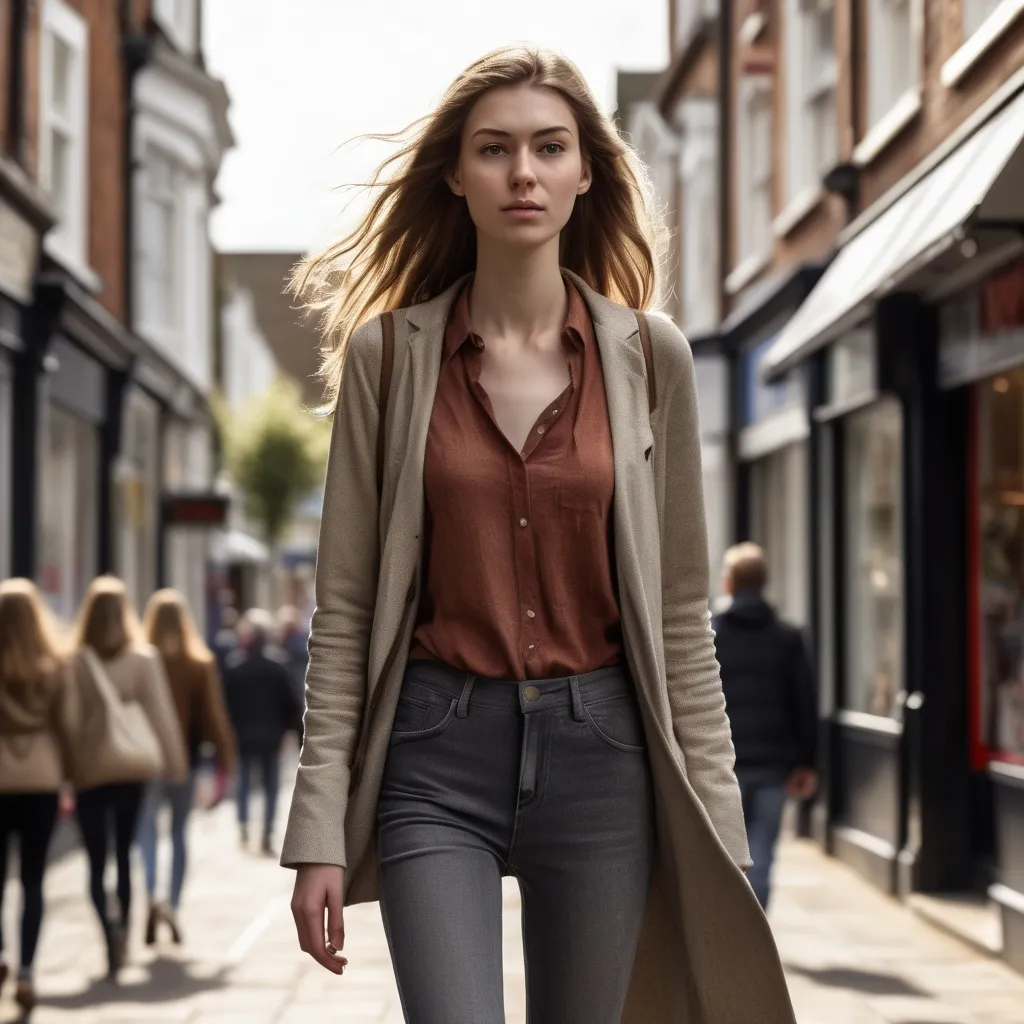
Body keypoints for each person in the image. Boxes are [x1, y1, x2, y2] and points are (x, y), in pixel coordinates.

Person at [282, 45, 795, 1024]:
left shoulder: (653, 358)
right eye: (494, 149)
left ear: (585, 170)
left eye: (548, 147)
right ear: (455, 174)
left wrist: (720, 825)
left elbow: (683, 613)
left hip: (604, 757)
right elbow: (343, 611)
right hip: (433, 755)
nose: (523, 172)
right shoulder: (388, 359)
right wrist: (317, 828)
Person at [71, 576, 188, 980]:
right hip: (132, 769)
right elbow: (161, 714)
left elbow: (68, 721)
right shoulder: (143, 658)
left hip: (89, 771)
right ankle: (124, 927)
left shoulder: (77, 659)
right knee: (124, 854)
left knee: (94, 862)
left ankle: (109, 938)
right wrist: (175, 762)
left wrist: (67, 769)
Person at [712, 543, 819, 910]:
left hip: (722, 765)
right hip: (774, 764)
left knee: (724, 852)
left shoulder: (711, 636)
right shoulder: (787, 637)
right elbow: (805, 704)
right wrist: (806, 762)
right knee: (762, 850)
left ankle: (728, 931)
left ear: (729, 584)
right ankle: (756, 932)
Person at [138, 589, 238, 945]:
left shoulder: (141, 660)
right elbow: (214, 717)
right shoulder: (198, 663)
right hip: (186, 761)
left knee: (146, 831)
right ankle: (174, 906)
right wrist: (227, 760)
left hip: (147, 761)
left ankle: (152, 891)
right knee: (179, 833)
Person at [0, 580, 78, 1013]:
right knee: (32, 880)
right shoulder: (53, 665)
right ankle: (28, 969)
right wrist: (71, 775)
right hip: (42, 779)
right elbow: (67, 728)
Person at [223, 609, 301, 855]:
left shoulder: (235, 666)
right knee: (270, 785)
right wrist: (291, 733)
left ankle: (244, 825)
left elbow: (226, 705)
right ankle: (266, 830)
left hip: (243, 735)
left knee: (245, 781)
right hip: (271, 735)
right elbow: (291, 703)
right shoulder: (277, 666)